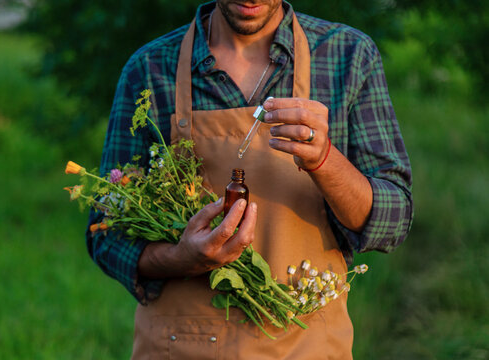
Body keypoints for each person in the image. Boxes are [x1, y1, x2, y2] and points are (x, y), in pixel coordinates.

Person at [86, 1, 413, 358]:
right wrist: (183, 258)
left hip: (307, 348)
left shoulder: (346, 55)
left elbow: (391, 220)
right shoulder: (149, 69)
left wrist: (324, 159)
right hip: (183, 347)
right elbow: (105, 234)